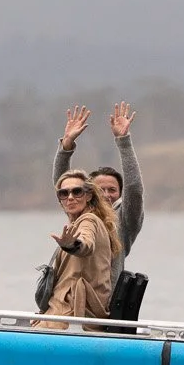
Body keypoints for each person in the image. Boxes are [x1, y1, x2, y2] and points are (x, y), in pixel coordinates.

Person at [53, 101, 144, 277]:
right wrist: (66, 145)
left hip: (101, 300)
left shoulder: (124, 221)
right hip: (68, 295)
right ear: (88, 194)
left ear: (120, 194)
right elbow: (64, 185)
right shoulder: (81, 212)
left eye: (112, 190)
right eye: (100, 189)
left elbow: (134, 189)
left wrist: (124, 142)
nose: (106, 195)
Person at [34, 170, 120, 325]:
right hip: (62, 313)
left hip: (70, 316)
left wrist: (73, 245)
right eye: (64, 194)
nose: (70, 197)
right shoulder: (81, 221)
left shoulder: (89, 220)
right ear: (60, 200)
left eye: (77, 191)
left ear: (89, 195)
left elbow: (86, 243)